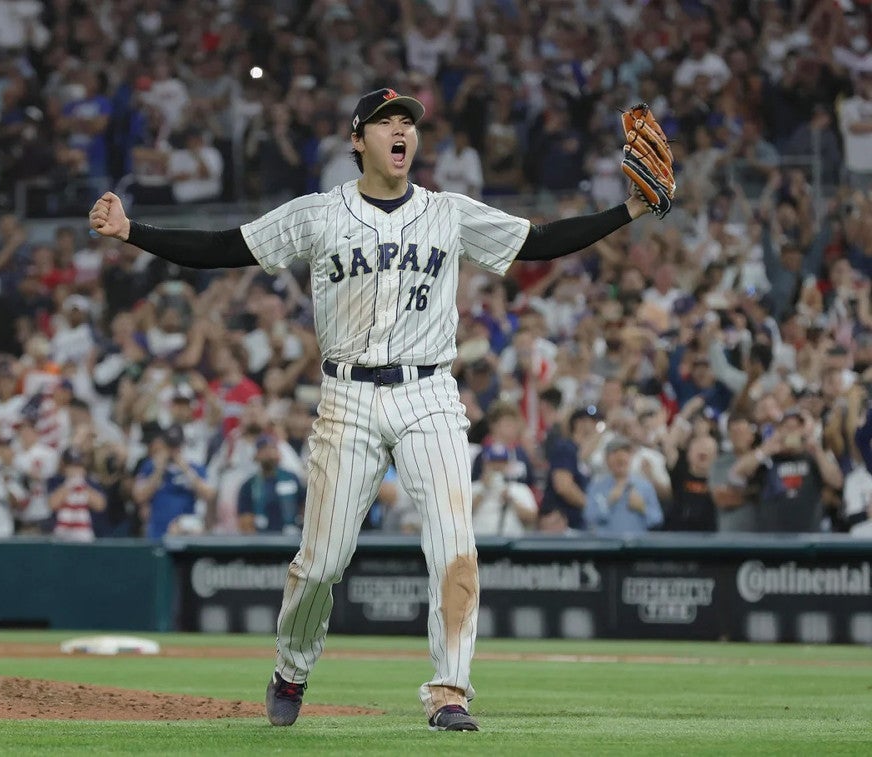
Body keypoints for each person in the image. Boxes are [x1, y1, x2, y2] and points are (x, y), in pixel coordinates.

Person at [89, 87, 657, 731]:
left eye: (408, 123)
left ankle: (450, 691)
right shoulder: (318, 214)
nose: (400, 131)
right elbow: (224, 247)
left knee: (454, 546)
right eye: (386, 121)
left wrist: (631, 208)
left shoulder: (448, 212)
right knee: (322, 562)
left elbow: (542, 242)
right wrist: (132, 231)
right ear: (358, 141)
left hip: (430, 393)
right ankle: (292, 668)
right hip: (348, 395)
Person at [133, 424, 213, 539]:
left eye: (176, 446)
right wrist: (158, 471)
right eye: (169, 446)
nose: (172, 450)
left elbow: (208, 494)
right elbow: (139, 496)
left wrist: (186, 469)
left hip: (185, 531)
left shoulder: (193, 467)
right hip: (157, 532)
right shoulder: (150, 466)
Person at [583, 437, 663, 536]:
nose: (620, 457)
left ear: (630, 457)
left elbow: (657, 520)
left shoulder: (644, 486)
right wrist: (609, 501)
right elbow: (589, 517)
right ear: (606, 459)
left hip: (637, 546)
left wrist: (642, 508)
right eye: (615, 453)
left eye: (625, 453)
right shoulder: (596, 487)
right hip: (607, 547)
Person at [236, 434, 305, 535]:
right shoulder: (249, 485)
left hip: (291, 538)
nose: (268, 452)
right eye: (264, 449)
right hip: (262, 541)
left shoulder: (292, 478)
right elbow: (245, 520)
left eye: (272, 448)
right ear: (256, 455)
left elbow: (305, 507)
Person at [470, 443, 538, 537]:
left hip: (510, 545)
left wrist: (511, 501)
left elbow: (533, 518)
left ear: (508, 464)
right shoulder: (473, 487)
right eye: (493, 462)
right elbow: (459, 517)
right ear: (485, 463)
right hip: (480, 544)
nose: (497, 466)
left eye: (501, 462)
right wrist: (483, 490)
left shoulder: (520, 489)